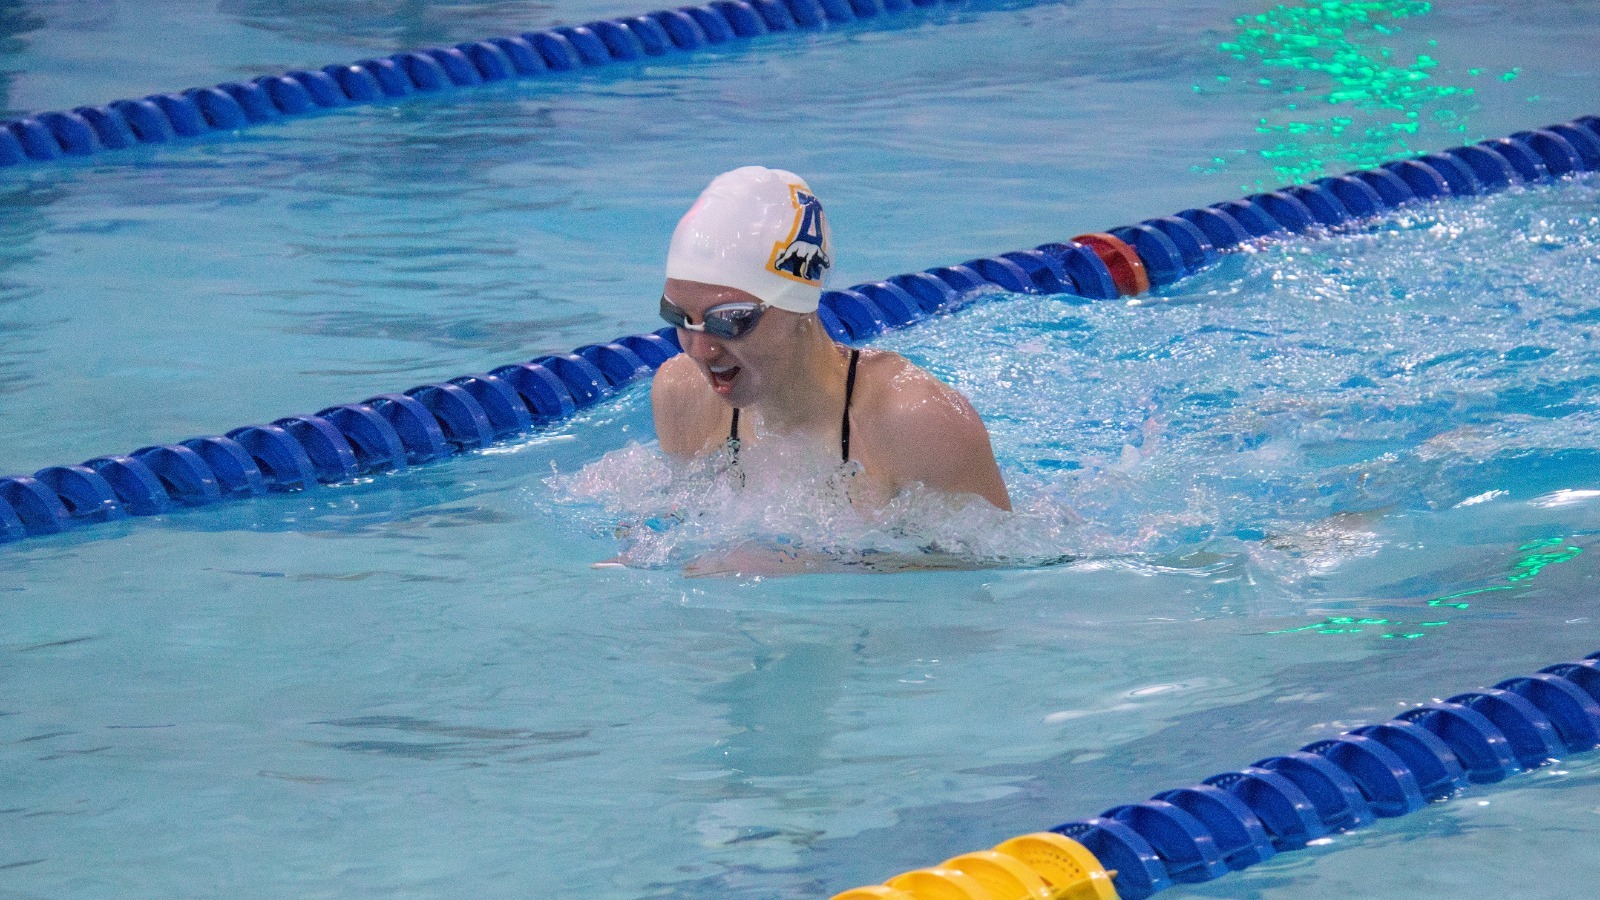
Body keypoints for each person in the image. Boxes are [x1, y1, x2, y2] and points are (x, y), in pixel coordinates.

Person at [650, 166, 1011, 512]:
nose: (700, 350)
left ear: (797, 304)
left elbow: (987, 569)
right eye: (678, 317)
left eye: (729, 321)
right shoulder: (682, 394)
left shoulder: (916, 422)